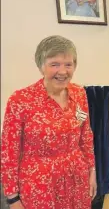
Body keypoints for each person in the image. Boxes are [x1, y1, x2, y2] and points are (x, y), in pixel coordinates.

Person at [1, 35, 97, 209]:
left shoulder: (79, 93)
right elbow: (9, 152)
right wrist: (12, 198)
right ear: (41, 66)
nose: (63, 71)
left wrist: (92, 171)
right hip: (40, 186)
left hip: (77, 180)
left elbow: (86, 135)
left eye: (68, 64)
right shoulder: (20, 100)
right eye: (55, 64)